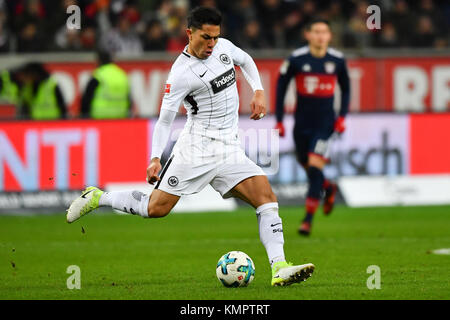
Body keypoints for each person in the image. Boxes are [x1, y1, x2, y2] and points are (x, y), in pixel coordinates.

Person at [67, 6, 315, 287]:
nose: (211, 44)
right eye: (205, 38)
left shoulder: (223, 47)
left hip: (228, 148)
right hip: (195, 149)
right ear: (189, 33)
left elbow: (245, 60)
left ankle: (279, 267)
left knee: (266, 198)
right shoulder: (181, 74)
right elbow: (164, 121)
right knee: (156, 208)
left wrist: (258, 90)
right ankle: (98, 197)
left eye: (214, 37)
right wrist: (154, 158)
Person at [274, 18, 350, 236]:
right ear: (308, 35)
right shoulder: (297, 59)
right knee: (308, 166)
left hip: (325, 125)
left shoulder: (337, 60)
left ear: (329, 36)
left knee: (315, 167)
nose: (320, 36)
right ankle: (328, 187)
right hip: (302, 124)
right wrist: (279, 119)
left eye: (324, 32)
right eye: (316, 32)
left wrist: (342, 117)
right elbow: (281, 87)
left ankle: (307, 220)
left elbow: (346, 90)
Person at [81, 51, 131, 119]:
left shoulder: (99, 75)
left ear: (99, 61)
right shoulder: (121, 74)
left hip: (100, 117)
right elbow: (129, 98)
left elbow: (87, 97)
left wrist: (84, 116)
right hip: (120, 117)